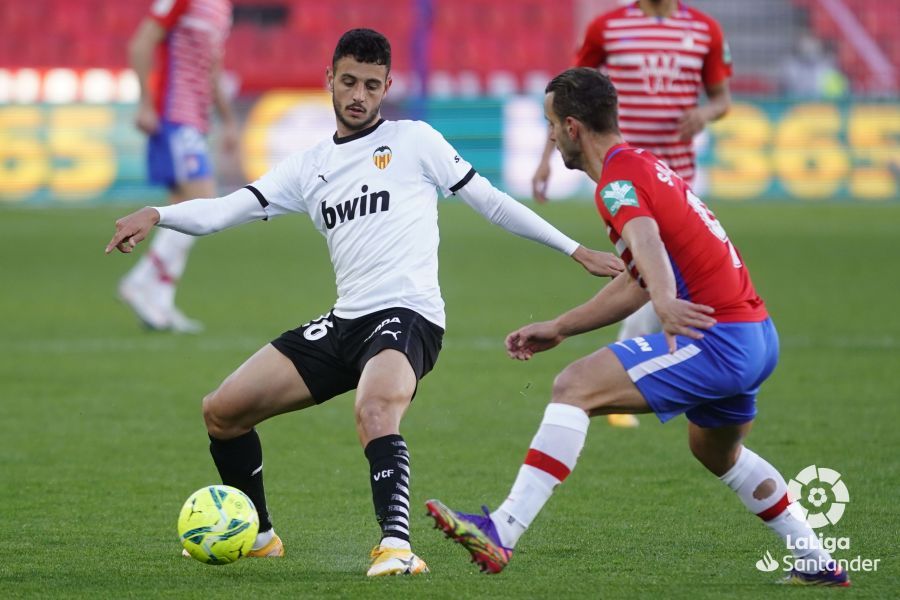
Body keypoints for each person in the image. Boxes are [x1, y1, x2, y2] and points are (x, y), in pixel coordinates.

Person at [106, 30, 624, 577]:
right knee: (223, 411)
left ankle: (396, 547)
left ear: (387, 88)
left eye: (371, 85)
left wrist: (575, 250)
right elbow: (224, 210)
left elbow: (491, 203)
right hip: (345, 321)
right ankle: (259, 534)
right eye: (349, 81)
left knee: (375, 408)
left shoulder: (415, 140)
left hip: (409, 317)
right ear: (329, 79)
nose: (358, 94)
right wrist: (158, 214)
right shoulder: (308, 167)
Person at [425, 68, 849, 587]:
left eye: (552, 124)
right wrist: (561, 326)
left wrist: (667, 300)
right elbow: (637, 280)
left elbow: (647, 247)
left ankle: (503, 531)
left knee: (573, 386)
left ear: (574, 127)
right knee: (716, 451)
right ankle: (814, 559)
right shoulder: (645, 167)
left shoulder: (618, 184)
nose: (551, 135)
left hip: (716, 338)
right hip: (757, 336)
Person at [532, 0, 733, 427]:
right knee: (649, 266)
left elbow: (722, 100)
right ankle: (672, 360)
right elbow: (569, 98)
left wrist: (704, 113)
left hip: (673, 172)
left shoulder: (705, 30)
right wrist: (547, 158)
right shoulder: (608, 27)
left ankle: (665, 360)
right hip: (620, 167)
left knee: (655, 266)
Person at [118, 0, 239, 333]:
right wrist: (145, 103)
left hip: (195, 122)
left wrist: (228, 122)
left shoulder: (221, 8)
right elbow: (141, 43)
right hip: (173, 116)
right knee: (201, 203)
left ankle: (158, 297)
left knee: (184, 210)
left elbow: (212, 69)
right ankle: (143, 283)